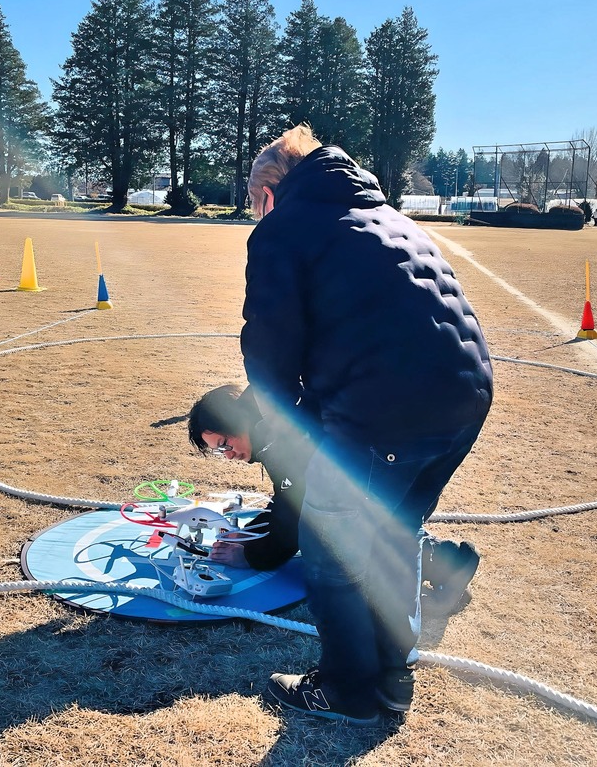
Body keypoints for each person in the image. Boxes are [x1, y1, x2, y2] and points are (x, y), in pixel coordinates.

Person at [241, 125, 494, 725]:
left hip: (388, 410)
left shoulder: (284, 230)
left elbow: (270, 355)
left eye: (253, 203)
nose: (254, 215)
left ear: (269, 193)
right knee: (387, 535)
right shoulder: (387, 216)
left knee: (332, 548)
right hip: (465, 396)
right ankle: (388, 680)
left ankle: (352, 691)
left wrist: (295, 437)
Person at [187, 383, 481, 604]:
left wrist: (253, 555)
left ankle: (446, 562)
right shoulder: (270, 419)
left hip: (413, 437)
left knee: (344, 535)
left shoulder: (277, 434)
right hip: (419, 427)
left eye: (224, 444)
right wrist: (254, 535)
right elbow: (288, 497)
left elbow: (295, 517)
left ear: (236, 422)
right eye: (219, 450)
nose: (227, 455)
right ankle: (443, 560)